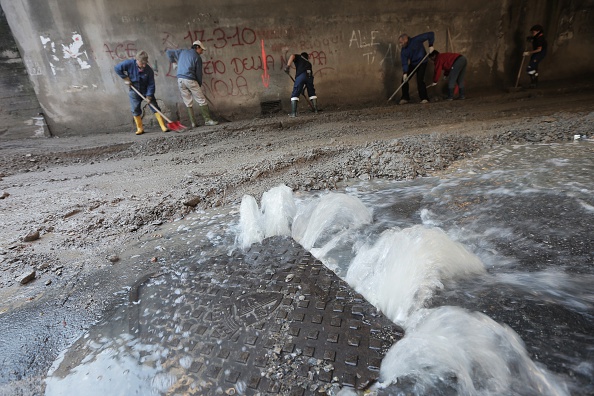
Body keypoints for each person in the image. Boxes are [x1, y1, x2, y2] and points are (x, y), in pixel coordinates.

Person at [114, 50, 169, 135]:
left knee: (155, 107)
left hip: (146, 90)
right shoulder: (129, 64)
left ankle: (163, 126)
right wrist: (125, 78)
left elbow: (151, 84)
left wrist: (149, 96)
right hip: (134, 90)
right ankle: (140, 128)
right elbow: (117, 68)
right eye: (142, 63)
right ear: (137, 60)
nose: (144, 65)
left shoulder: (149, 70)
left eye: (145, 63)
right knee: (135, 108)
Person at [166, 40, 218, 127]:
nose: (201, 52)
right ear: (197, 47)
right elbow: (198, 74)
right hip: (190, 79)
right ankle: (207, 120)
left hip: (180, 80)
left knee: (188, 101)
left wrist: (173, 62)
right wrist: (199, 84)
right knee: (201, 100)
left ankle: (193, 123)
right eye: (201, 49)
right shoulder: (197, 57)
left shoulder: (182, 51)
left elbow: (168, 52)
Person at [398, 32, 435, 104]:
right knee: (404, 80)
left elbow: (431, 34)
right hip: (413, 63)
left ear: (406, 39)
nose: (400, 44)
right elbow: (404, 62)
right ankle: (405, 97)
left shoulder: (416, 40)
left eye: (401, 42)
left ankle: (424, 98)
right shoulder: (404, 50)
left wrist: (431, 45)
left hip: (422, 62)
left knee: (420, 80)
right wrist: (405, 73)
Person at [284, 52, 318, 117]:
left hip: (301, 75)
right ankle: (316, 110)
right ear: (307, 57)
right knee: (312, 92)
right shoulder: (309, 63)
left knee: (295, 93)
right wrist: (303, 89)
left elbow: (292, 55)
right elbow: (307, 80)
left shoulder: (299, 57)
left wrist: (288, 66)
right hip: (310, 76)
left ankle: (293, 113)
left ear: (302, 56)